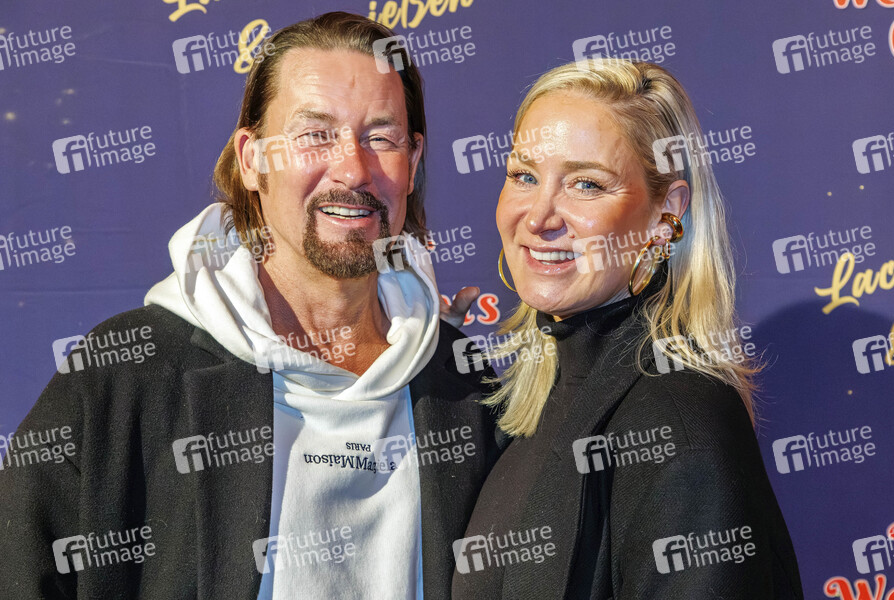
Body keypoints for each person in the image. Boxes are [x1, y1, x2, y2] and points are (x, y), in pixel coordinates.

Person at [0, 13, 499, 600]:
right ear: (252, 159)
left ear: (411, 165)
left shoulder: (463, 385)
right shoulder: (124, 377)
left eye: (381, 137)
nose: (352, 169)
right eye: (315, 134)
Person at [451, 60, 804, 599]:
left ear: (666, 215)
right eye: (524, 176)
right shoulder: (529, 405)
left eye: (586, 184)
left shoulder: (679, 419)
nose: (539, 216)